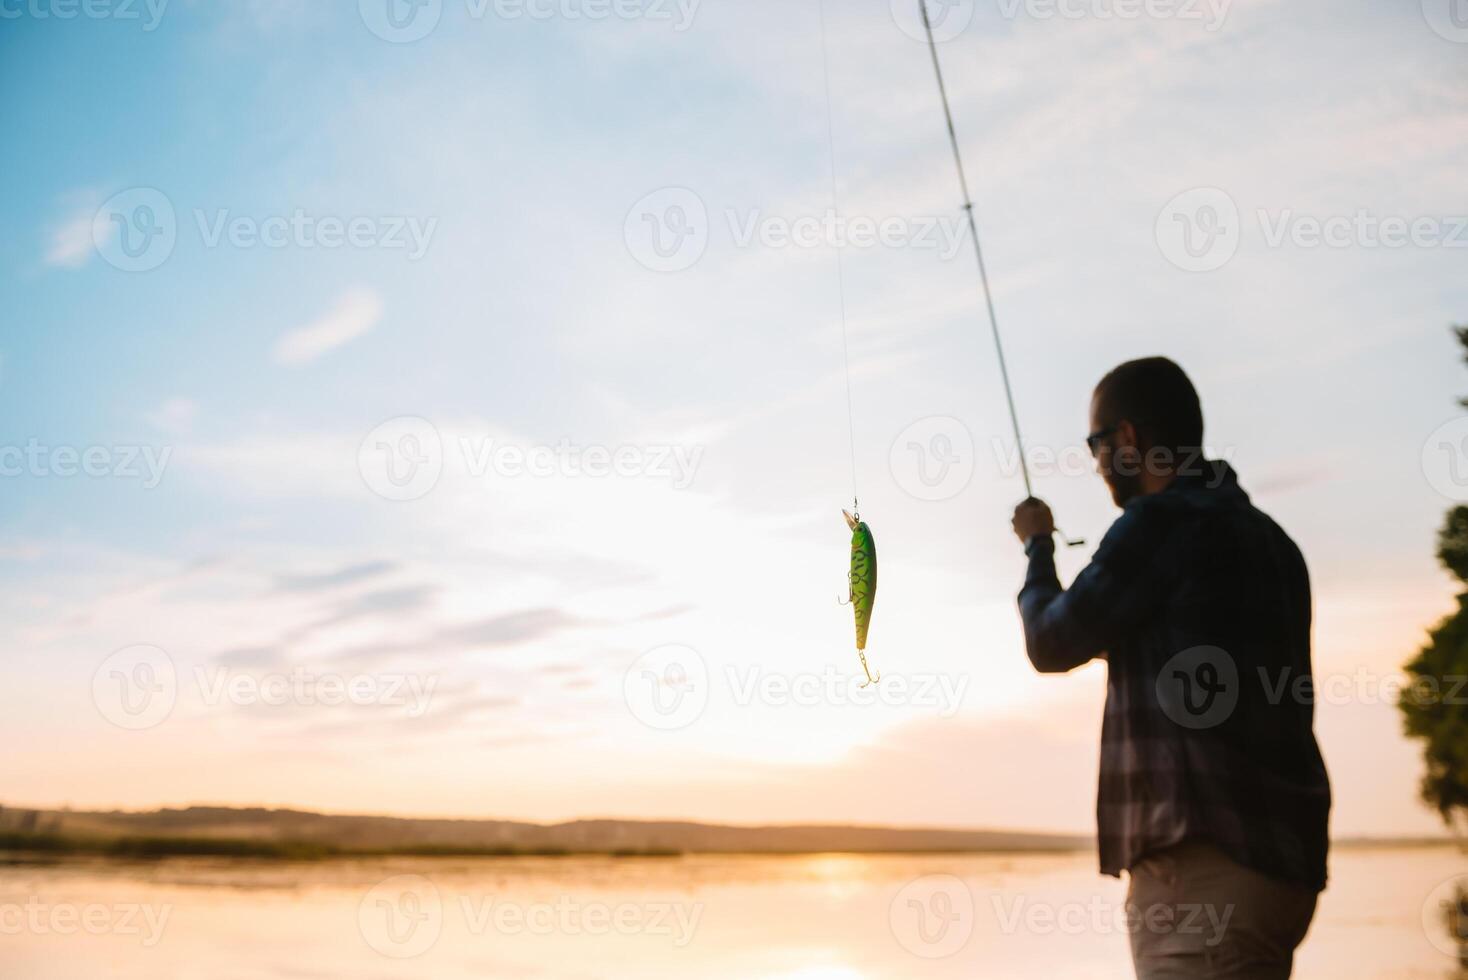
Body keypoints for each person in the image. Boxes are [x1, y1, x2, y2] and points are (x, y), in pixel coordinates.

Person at [1011, 357, 1331, 979]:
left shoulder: (1161, 524)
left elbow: (1052, 642)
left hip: (1202, 871)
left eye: (1096, 445)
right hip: (1282, 869)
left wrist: (1037, 547)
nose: (1098, 463)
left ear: (1128, 439)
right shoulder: (1273, 542)